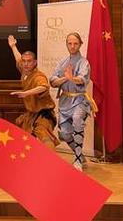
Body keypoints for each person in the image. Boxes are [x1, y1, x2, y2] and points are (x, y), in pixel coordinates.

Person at [49, 32, 97, 171]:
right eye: (69, 43)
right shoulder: (62, 62)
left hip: (79, 99)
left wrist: (72, 78)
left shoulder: (84, 62)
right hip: (65, 100)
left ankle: (77, 160)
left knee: (77, 120)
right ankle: (80, 155)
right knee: (64, 134)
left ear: (80, 44)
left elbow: (82, 79)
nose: (72, 46)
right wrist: (65, 78)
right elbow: (53, 80)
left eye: (75, 43)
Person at [7, 35, 59, 150]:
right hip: (31, 114)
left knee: (43, 134)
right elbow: (18, 59)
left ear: (35, 63)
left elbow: (43, 87)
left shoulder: (38, 76)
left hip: (44, 114)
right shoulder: (24, 71)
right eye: (24, 61)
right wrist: (13, 46)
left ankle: (50, 159)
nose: (25, 64)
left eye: (29, 61)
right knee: (22, 137)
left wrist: (26, 93)